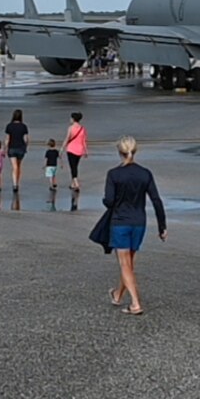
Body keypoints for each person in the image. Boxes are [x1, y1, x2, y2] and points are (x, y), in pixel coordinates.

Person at [98, 135, 166, 316]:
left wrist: (107, 200)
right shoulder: (145, 173)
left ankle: (135, 303)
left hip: (120, 222)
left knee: (124, 263)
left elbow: (109, 201)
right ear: (134, 151)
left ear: (119, 152)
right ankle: (118, 295)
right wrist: (162, 226)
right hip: (139, 222)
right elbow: (156, 200)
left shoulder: (114, 174)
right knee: (128, 264)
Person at [3, 108, 29, 193]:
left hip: (12, 148)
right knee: (19, 166)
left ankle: (15, 184)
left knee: (14, 167)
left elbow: (7, 139)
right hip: (21, 148)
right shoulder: (24, 126)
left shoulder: (9, 126)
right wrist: (26, 147)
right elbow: (26, 139)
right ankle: (17, 182)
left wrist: (5, 148)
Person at [64, 112, 88, 198]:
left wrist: (62, 148)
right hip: (79, 150)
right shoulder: (82, 129)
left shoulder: (70, 128)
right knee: (75, 166)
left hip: (71, 149)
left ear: (73, 119)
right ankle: (73, 184)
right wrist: (86, 150)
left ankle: (76, 183)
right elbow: (84, 141)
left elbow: (67, 139)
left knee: (72, 167)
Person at [44, 138, 60, 204]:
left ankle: (51, 185)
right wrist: (61, 164)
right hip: (54, 165)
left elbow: (46, 159)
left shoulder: (47, 152)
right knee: (53, 175)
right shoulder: (56, 151)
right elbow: (59, 158)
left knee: (50, 176)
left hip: (49, 165)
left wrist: (44, 165)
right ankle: (54, 183)